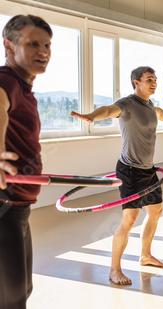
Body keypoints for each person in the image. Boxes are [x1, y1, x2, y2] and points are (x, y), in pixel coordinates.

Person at [71, 66, 163, 285]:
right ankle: (114, 270)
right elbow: (107, 110)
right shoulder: (127, 105)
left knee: (156, 211)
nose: (154, 82)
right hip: (130, 170)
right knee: (129, 220)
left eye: (155, 79)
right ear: (136, 83)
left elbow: (162, 116)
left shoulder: (152, 107)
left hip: (148, 170)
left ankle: (145, 255)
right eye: (149, 79)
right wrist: (92, 116)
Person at [0, 15, 52, 309]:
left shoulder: (25, 88)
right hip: (3, 203)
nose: (43, 51)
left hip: (19, 206)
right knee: (13, 298)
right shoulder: (6, 80)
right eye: (33, 44)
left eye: (47, 44)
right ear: (8, 45)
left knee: (21, 289)